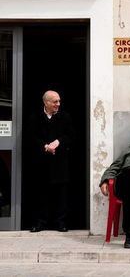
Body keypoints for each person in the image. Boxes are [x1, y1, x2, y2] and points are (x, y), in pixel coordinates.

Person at [28, 90, 74, 232]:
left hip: (59, 163)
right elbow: (31, 137)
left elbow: (71, 136)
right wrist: (45, 146)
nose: (58, 104)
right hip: (41, 162)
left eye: (59, 101)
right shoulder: (35, 117)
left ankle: (60, 222)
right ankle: (40, 222)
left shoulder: (65, 117)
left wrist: (58, 142)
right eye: (55, 101)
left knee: (61, 194)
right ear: (46, 102)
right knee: (41, 194)